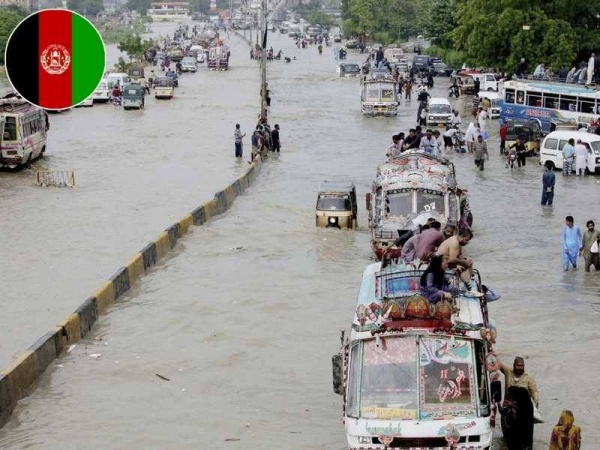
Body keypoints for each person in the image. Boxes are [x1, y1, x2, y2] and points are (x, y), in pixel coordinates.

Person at [435, 228, 481, 295]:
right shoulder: (455, 243)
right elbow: (452, 259)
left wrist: (465, 262)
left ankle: (468, 283)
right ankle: (470, 288)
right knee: (462, 266)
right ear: (462, 236)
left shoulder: (457, 241)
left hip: (445, 262)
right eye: (466, 240)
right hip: (440, 266)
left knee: (468, 261)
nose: (467, 242)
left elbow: (460, 256)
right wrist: (463, 263)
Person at [500, 386, 535, 450]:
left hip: (518, 437)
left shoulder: (524, 406)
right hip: (525, 438)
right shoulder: (527, 404)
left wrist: (511, 407)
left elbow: (518, 418)